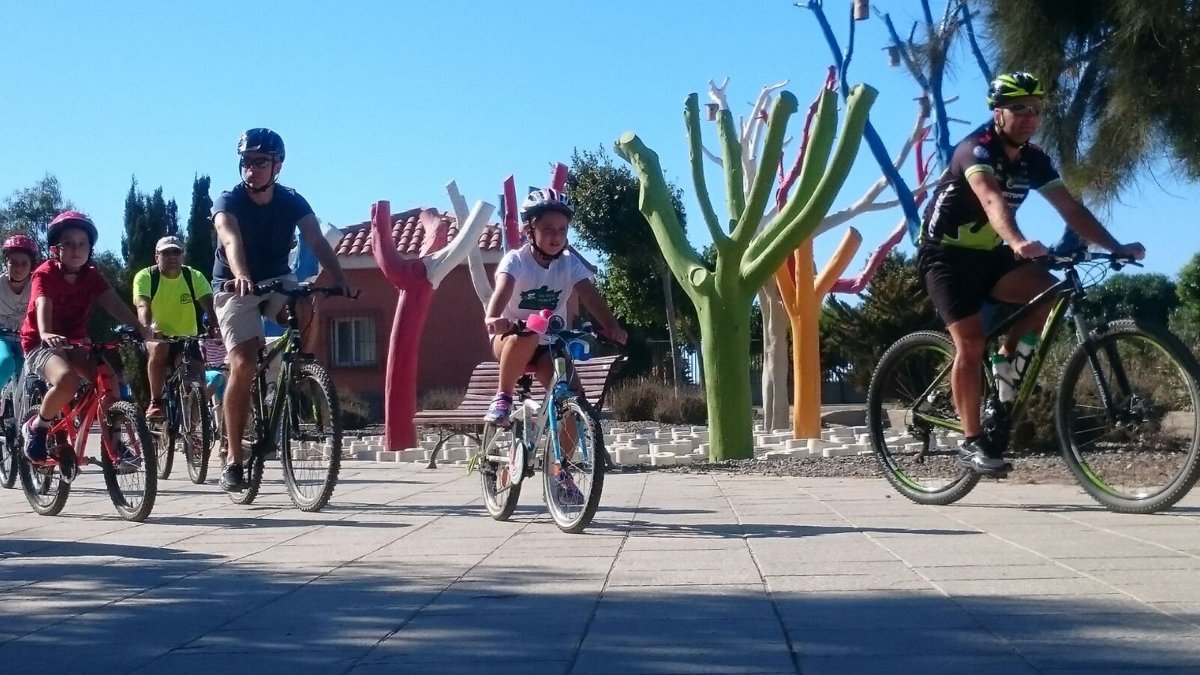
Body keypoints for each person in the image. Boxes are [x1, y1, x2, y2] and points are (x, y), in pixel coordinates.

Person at [917, 71, 1145, 476]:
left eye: (1036, 110)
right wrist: (1019, 242)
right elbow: (990, 199)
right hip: (946, 257)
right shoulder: (976, 150)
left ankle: (1005, 375)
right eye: (1018, 108)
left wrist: (1115, 246)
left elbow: (1070, 209)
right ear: (997, 111)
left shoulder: (1034, 158)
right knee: (969, 345)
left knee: (1052, 296)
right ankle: (971, 443)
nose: (1028, 117)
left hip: (990, 255)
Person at [212, 128, 356, 492]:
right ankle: (233, 458)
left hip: (276, 277)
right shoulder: (229, 201)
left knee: (307, 302)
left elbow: (316, 239)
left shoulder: (292, 200)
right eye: (246, 162)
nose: (252, 169)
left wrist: (341, 278)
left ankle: (302, 370)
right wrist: (242, 275)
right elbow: (230, 238)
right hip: (234, 284)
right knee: (243, 362)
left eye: (260, 162)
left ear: (278, 165)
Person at [483, 188, 627, 422]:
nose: (556, 236)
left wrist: (611, 326)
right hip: (511, 338)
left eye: (562, 229)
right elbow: (503, 289)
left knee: (574, 400)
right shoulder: (516, 260)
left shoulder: (570, 264)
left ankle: (562, 460)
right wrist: (493, 318)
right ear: (529, 231)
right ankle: (503, 398)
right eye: (548, 229)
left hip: (548, 346)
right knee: (530, 331)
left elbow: (590, 296)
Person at [20, 211, 151, 465]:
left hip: (76, 341)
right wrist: (46, 332)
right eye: (67, 243)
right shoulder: (44, 273)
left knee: (109, 380)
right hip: (40, 343)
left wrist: (140, 327)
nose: (76, 249)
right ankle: (38, 426)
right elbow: (42, 302)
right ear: (55, 249)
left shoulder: (92, 275)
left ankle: (114, 444)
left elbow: (112, 302)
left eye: (82, 244)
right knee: (67, 379)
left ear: (90, 248)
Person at [132, 235, 216, 419]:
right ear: (157, 257)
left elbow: (209, 305)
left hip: (187, 339)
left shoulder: (193, 276)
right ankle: (156, 402)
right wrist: (147, 328)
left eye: (176, 252)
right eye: (166, 252)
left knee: (198, 381)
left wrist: (216, 327)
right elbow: (142, 305)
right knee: (161, 348)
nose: (172, 256)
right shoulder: (146, 276)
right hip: (157, 338)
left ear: (183, 255)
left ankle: (195, 428)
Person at [0, 234, 38, 389]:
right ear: (6, 263)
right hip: (2, 336)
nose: (18, 268)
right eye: (13, 262)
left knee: (37, 373)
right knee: (6, 363)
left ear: (31, 265)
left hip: (27, 338)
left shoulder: (36, 286)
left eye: (24, 263)